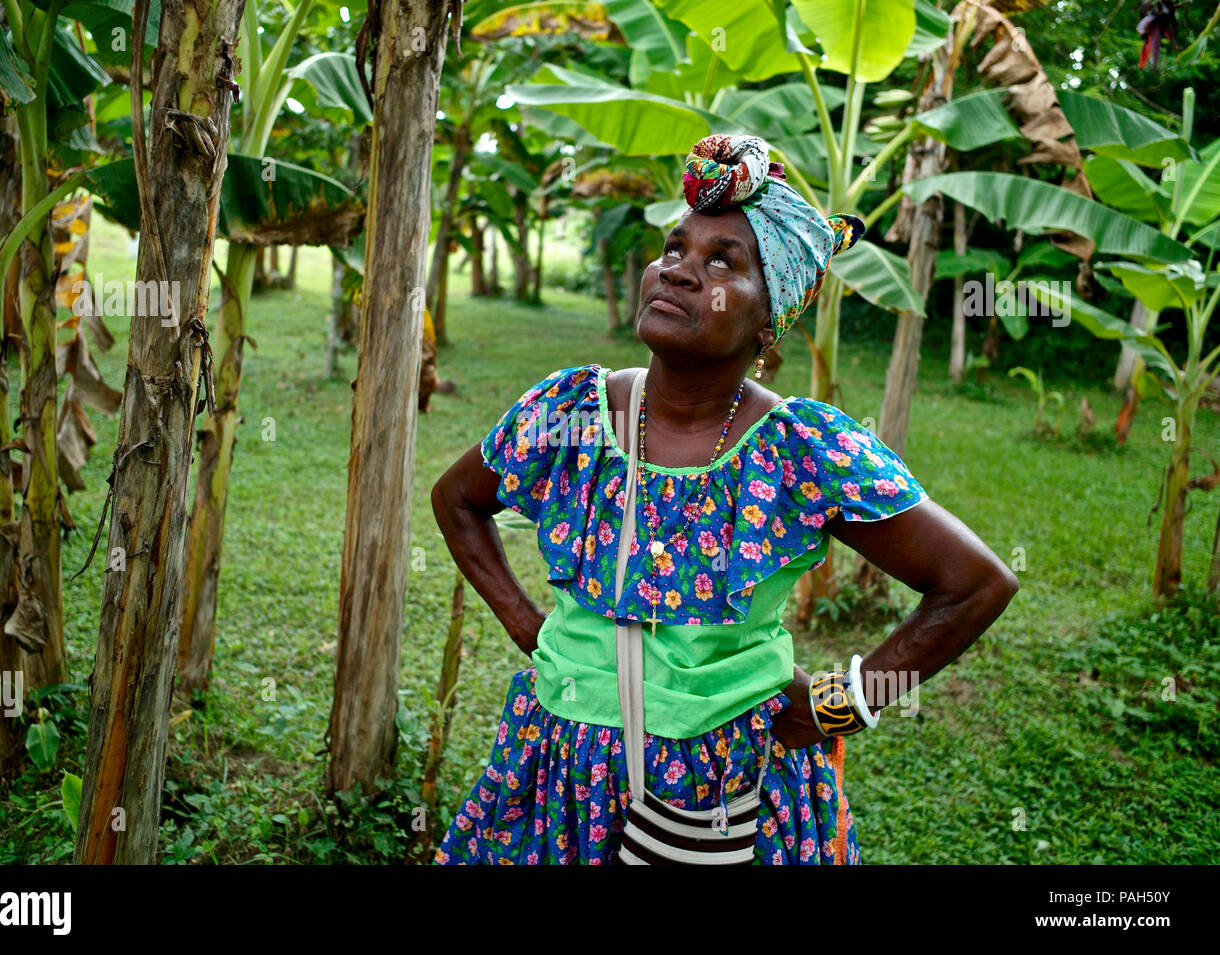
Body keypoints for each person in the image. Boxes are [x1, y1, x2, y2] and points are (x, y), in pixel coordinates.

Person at [430, 135, 1019, 865]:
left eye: (721, 261)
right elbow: (458, 499)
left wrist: (846, 702)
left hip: (724, 790)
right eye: (674, 248)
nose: (678, 269)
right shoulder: (572, 408)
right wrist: (530, 626)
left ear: (768, 322)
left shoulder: (802, 451)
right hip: (560, 766)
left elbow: (975, 583)